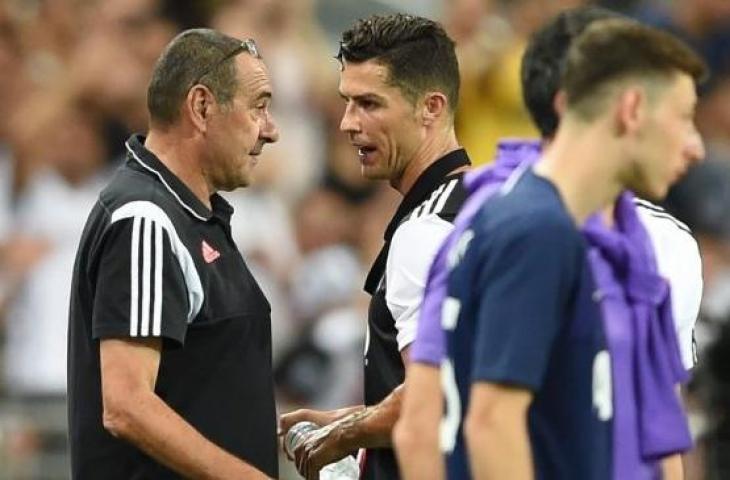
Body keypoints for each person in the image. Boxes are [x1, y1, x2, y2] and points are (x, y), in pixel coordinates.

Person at [395, 7, 705, 479]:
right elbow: (483, 422)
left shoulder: (640, 244)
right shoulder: (531, 230)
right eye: (682, 118)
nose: (695, 146)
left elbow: (651, 434)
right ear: (631, 108)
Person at [66, 29, 279, 479]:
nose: (270, 130)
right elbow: (126, 406)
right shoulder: (145, 218)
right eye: (259, 106)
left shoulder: (190, 214)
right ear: (202, 107)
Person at [278, 13, 470, 480]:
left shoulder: (427, 230)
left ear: (431, 107)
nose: (347, 123)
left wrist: (341, 437)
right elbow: (465, 383)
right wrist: (353, 420)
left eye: (369, 104)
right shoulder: (484, 205)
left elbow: (432, 398)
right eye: (347, 102)